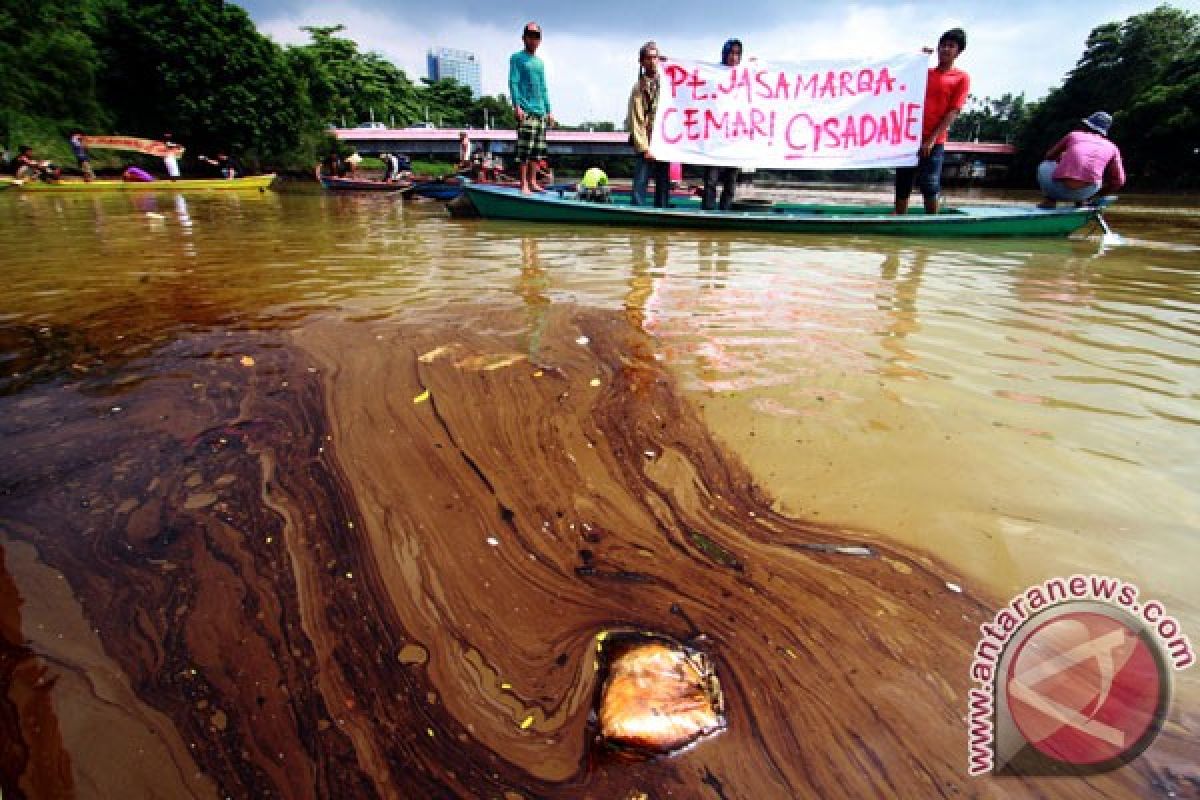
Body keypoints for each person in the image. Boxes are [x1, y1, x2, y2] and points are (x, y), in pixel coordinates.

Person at [894, 28, 970, 216]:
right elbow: (898, 80)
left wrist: (931, 140)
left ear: (958, 51)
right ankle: (899, 219)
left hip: (934, 141)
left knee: (929, 184)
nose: (945, 49)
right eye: (943, 45)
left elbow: (953, 111)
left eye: (950, 46)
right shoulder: (923, 73)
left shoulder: (961, 78)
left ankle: (932, 221)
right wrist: (917, 59)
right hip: (909, 138)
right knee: (903, 183)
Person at [1036, 111, 1125, 209]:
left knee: (1045, 164)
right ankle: (1081, 201)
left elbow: (1049, 156)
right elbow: (1118, 181)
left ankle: (1050, 201)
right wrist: (1095, 196)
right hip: (1086, 193)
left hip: (1056, 190)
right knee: (1097, 176)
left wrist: (1062, 159)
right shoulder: (1112, 147)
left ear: (1086, 126)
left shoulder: (1073, 135)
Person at [509, 21, 555, 193]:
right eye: (531, 35)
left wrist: (549, 111)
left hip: (540, 111)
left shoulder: (540, 63)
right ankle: (524, 184)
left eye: (537, 36)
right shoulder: (517, 58)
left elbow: (543, 87)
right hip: (526, 110)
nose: (533, 39)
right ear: (524, 38)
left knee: (537, 150)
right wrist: (517, 106)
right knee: (524, 150)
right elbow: (513, 82)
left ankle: (533, 181)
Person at [627, 40, 671, 208]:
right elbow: (636, 119)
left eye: (655, 58)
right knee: (640, 183)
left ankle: (663, 212)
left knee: (663, 184)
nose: (652, 61)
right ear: (642, 61)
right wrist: (645, 148)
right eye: (648, 58)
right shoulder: (638, 88)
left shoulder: (666, 83)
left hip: (663, 140)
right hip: (646, 141)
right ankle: (637, 213)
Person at [702, 39, 743, 210]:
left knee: (730, 182)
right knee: (711, 180)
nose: (734, 57)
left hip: (734, 139)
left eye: (737, 54)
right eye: (731, 53)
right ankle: (708, 212)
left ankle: (725, 212)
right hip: (714, 137)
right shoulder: (713, 74)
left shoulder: (745, 75)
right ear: (725, 54)